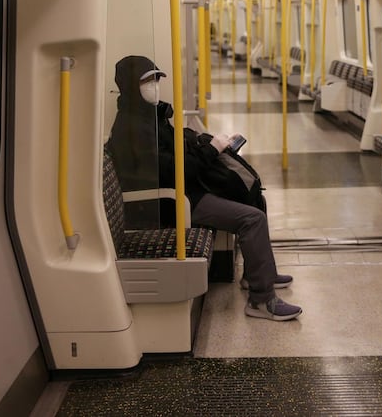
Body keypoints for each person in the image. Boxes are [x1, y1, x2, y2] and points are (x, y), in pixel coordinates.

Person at [107, 55, 302, 322]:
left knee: (255, 198)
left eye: (156, 79)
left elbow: (176, 148)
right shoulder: (132, 129)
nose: (154, 85)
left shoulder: (149, 116)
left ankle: (257, 275)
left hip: (185, 191)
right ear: (130, 86)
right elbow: (175, 171)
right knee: (251, 218)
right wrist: (211, 151)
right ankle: (261, 300)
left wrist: (205, 142)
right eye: (146, 81)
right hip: (169, 202)